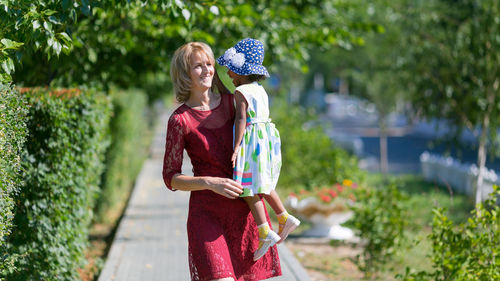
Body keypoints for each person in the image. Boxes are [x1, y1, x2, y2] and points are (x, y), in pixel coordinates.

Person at [163, 42, 282, 281]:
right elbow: (171, 178)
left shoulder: (235, 104)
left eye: (209, 64)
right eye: (198, 66)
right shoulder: (180, 120)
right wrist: (209, 182)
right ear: (185, 73)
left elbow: (260, 149)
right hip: (206, 216)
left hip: (245, 214)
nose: (207, 70)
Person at [217, 38, 300, 261]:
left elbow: (242, 119)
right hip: (266, 140)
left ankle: (265, 231)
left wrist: (236, 146)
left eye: (231, 72)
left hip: (252, 140)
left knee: (247, 187)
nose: (230, 77)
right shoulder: (260, 90)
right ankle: (283, 217)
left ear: (240, 71)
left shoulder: (241, 91)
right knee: (264, 183)